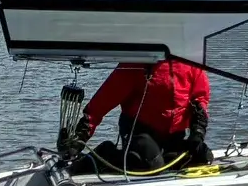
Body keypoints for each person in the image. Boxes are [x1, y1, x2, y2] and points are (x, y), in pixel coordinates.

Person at [62, 56, 212, 174]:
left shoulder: (190, 62)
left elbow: (200, 99)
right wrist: (80, 138)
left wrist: (197, 132)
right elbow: (103, 101)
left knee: (203, 157)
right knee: (151, 165)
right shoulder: (136, 64)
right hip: (139, 132)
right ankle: (103, 154)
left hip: (173, 135)